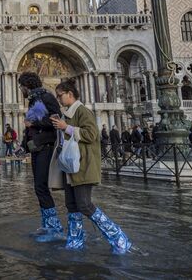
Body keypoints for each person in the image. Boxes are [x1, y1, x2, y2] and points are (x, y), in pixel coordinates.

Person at [50, 79, 132, 254]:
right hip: (70, 168)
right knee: (71, 205)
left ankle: (118, 236)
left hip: (83, 166)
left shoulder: (83, 111)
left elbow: (91, 135)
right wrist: (62, 126)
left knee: (85, 204)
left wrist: (67, 127)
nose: (58, 99)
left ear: (70, 94)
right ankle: (75, 240)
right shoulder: (68, 114)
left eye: (60, 95)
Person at [18, 71, 63, 242]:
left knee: (42, 186)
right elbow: (32, 128)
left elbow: (57, 120)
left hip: (46, 147)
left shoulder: (46, 97)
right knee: (39, 187)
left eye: (21, 86)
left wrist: (34, 122)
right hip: (37, 148)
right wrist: (24, 144)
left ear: (27, 85)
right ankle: (47, 225)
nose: (21, 89)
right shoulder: (35, 100)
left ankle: (54, 228)